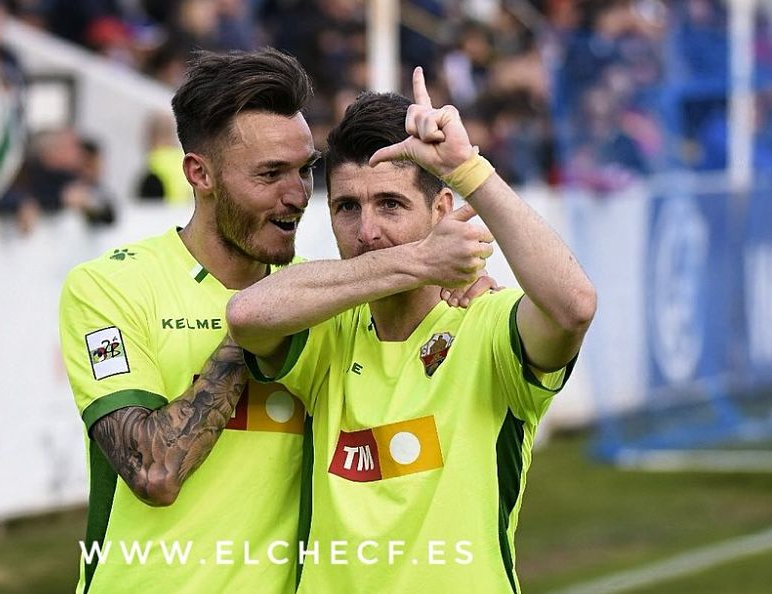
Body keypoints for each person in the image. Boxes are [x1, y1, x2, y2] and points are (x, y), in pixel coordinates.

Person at [60, 50, 495, 593]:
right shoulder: (111, 287)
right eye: (270, 174)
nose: (295, 196)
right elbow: (155, 470)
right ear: (201, 174)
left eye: (304, 171)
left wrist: (461, 285)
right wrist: (257, 326)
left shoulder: (331, 297)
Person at [226, 70, 597, 593]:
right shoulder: (326, 322)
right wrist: (421, 260)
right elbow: (246, 314)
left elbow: (575, 306)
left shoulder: (487, 324)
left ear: (442, 210)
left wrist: (467, 170)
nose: (368, 231)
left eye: (391, 204)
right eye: (346, 207)